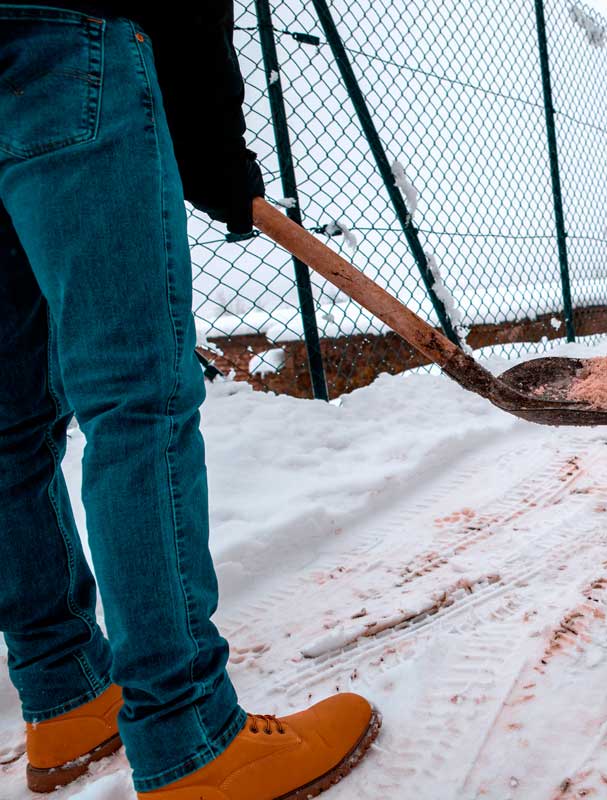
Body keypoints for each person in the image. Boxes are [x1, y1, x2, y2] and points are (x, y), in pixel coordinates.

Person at [0, 2, 380, 796]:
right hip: (68, 46)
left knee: (8, 427)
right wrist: (214, 150)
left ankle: (67, 696)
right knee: (134, 403)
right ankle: (190, 736)